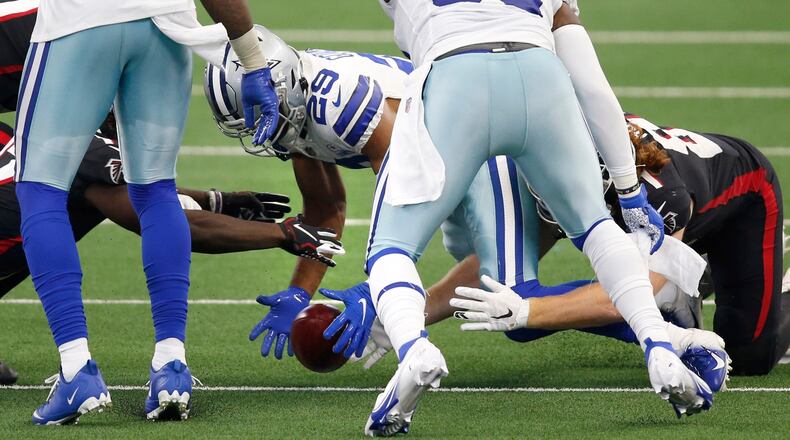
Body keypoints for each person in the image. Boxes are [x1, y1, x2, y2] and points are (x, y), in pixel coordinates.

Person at [357, 0, 717, 433]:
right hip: (540, 74)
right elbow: (588, 76)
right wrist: (628, 188)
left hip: (455, 76)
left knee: (391, 246)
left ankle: (414, 349)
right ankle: (657, 343)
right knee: (598, 229)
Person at [14, 0, 281, 424]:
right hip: (165, 26)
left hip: (80, 23)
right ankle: (171, 366)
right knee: (156, 191)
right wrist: (253, 60)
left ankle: (76, 368)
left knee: (40, 190)